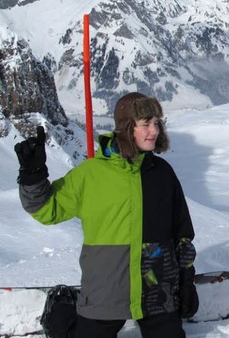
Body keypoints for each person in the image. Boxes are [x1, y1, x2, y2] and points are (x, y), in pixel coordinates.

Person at [14, 93, 198, 337]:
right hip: (106, 290)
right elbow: (46, 209)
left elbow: (182, 233)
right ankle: (62, 314)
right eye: (146, 123)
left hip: (157, 291)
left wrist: (186, 281)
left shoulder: (162, 173)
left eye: (157, 122)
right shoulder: (91, 174)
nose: (154, 130)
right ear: (126, 127)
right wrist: (33, 174)